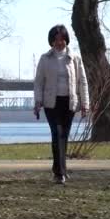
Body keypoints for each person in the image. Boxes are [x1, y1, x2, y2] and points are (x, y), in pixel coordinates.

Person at [34, 24, 89, 184]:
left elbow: (82, 82)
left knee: (64, 136)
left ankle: (59, 169)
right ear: (51, 41)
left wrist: (85, 103)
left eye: (62, 39)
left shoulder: (75, 58)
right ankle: (60, 173)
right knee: (57, 134)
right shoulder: (45, 59)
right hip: (51, 103)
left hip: (69, 102)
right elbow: (38, 82)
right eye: (56, 39)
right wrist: (38, 101)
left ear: (66, 40)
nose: (59, 42)